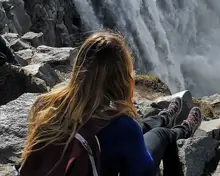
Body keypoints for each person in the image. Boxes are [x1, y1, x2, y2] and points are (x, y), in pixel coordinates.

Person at [18, 31, 202, 176]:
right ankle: (182, 129)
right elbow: (142, 171)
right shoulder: (122, 125)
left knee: (134, 129)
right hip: (111, 145)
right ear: (121, 77)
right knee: (160, 135)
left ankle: (164, 117)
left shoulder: (44, 104)